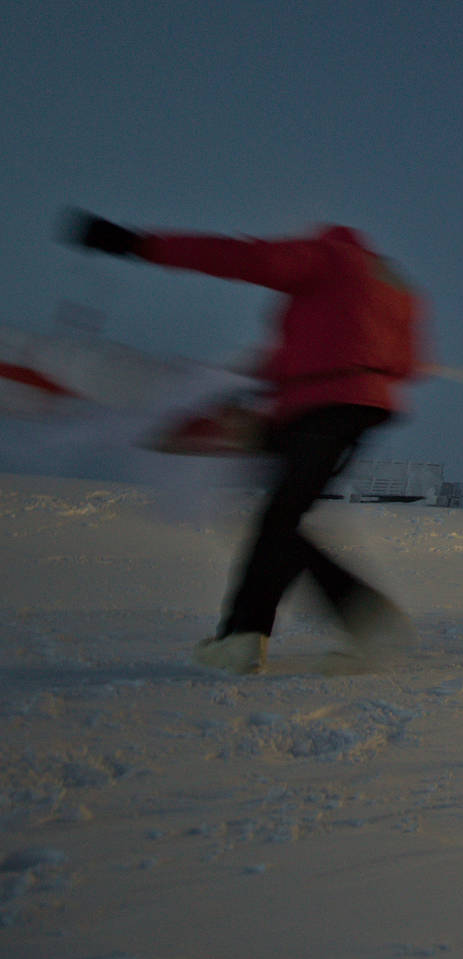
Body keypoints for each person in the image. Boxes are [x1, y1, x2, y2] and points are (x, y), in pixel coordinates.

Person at [67, 213, 425, 673]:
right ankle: (312, 624)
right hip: (360, 410)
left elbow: (240, 258)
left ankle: (258, 633)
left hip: (318, 407)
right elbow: (410, 364)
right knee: (281, 519)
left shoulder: (328, 257)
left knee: (279, 519)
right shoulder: (397, 287)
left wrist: (141, 245)